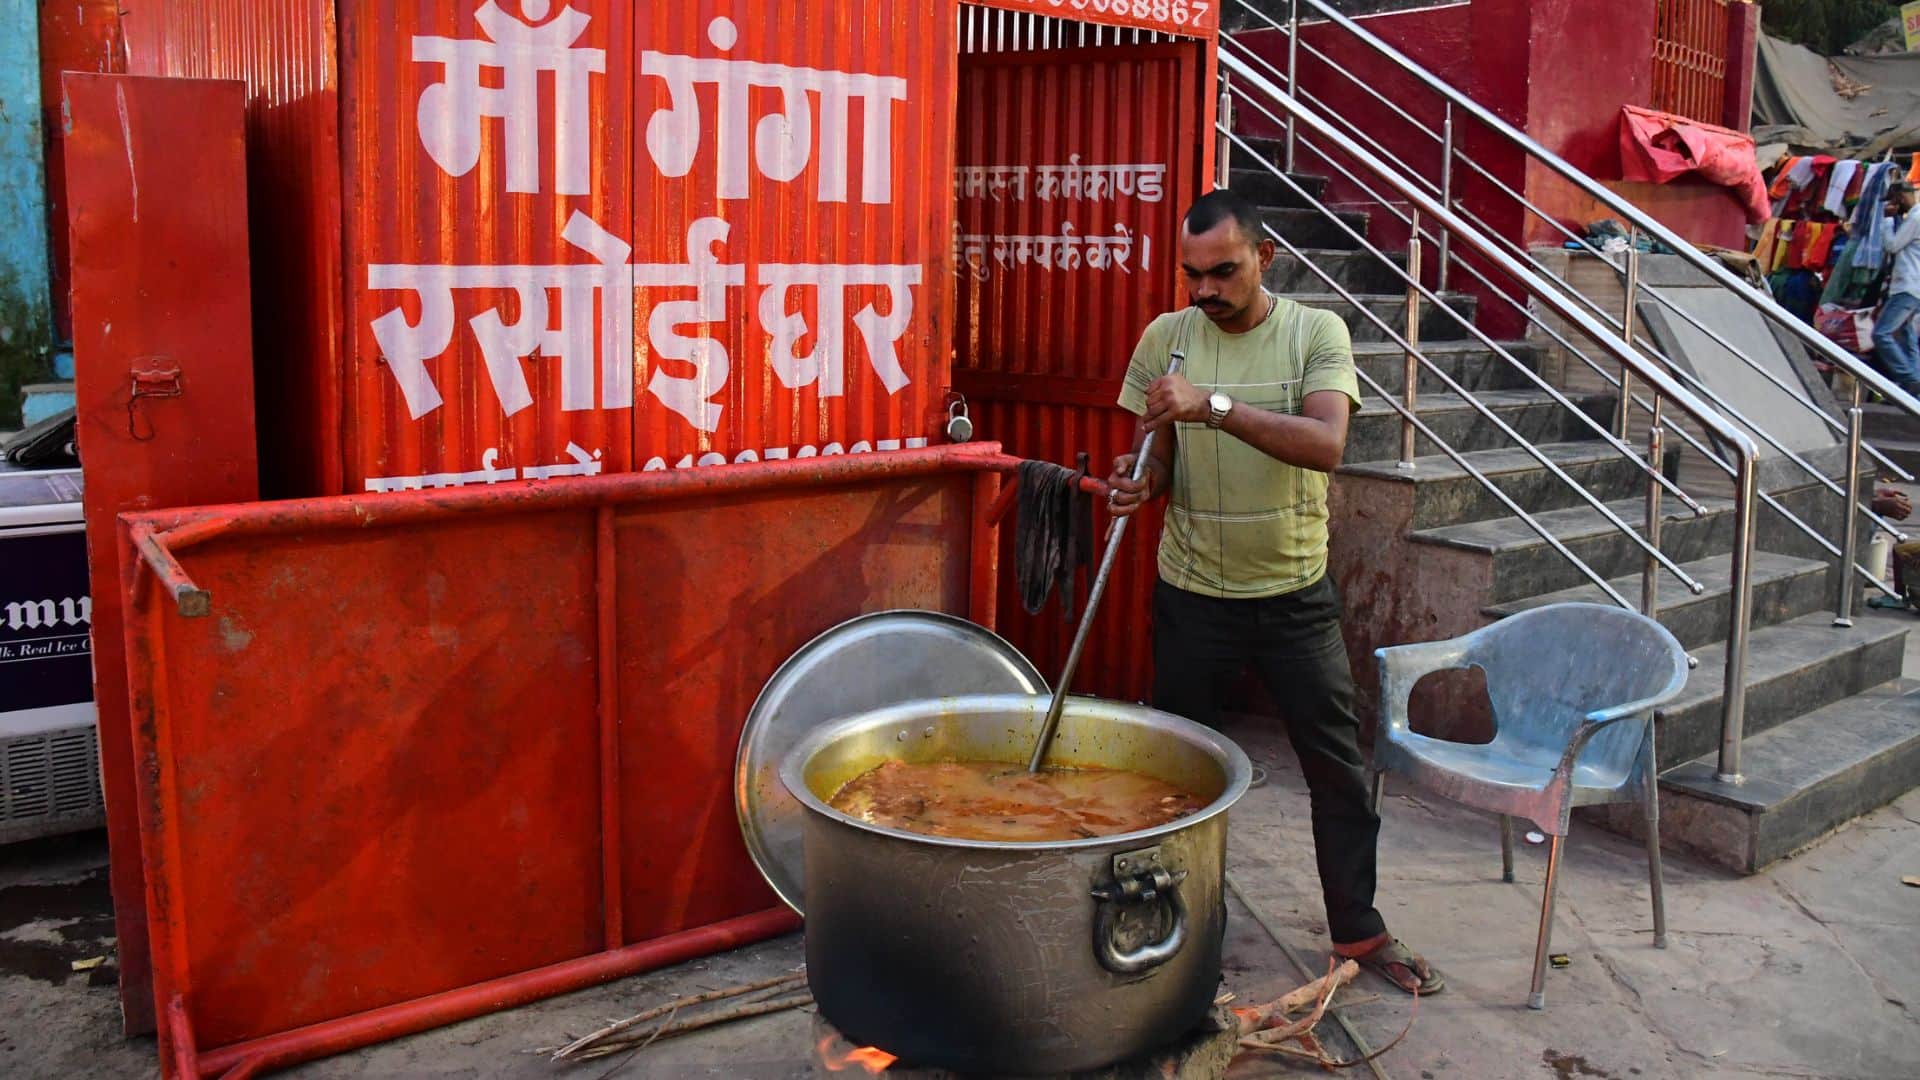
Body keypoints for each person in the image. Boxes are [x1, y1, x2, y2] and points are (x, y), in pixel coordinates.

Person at [1106, 189, 1442, 995]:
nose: (1203, 292)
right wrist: (1137, 481)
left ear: (1266, 259)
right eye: (1192, 275)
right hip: (1191, 595)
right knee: (1177, 779)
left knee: (1336, 771)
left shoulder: (1313, 334)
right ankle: (1171, 940)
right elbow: (1152, 458)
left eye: (1222, 272)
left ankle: (1359, 932)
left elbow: (1326, 444)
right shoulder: (1167, 340)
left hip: (1293, 597)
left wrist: (1213, 407)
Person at [1873, 180, 1920, 395]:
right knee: (1907, 337)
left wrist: (1886, 220)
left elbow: (1892, 245)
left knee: (1882, 334)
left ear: (1900, 198)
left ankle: (1909, 379)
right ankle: (1915, 389)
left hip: (1907, 287)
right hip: (1914, 287)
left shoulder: (1915, 218)